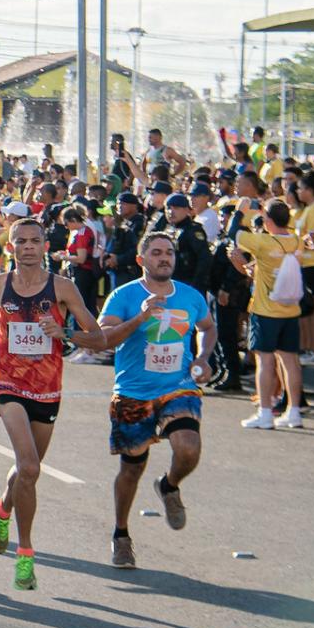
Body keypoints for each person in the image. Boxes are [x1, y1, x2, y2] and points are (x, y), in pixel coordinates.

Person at [0, 218, 147, 591]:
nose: (29, 247)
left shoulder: (63, 288)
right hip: (8, 383)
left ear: (45, 245)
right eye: (21, 241)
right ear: (12, 247)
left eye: (35, 241)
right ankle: (26, 556)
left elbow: (99, 339)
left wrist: (64, 332)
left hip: (48, 388)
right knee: (30, 466)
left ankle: (2, 510)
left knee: (27, 471)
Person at [99, 232, 214, 570]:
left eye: (169, 253)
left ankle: (169, 485)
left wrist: (204, 357)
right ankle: (121, 535)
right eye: (156, 253)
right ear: (141, 260)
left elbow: (207, 327)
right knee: (131, 470)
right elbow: (105, 338)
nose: (165, 258)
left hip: (178, 386)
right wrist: (141, 318)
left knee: (188, 447)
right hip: (134, 392)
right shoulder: (124, 295)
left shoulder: (190, 297)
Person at [232, 199, 305, 429]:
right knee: (290, 360)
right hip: (291, 310)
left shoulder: (263, 241)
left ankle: (265, 412)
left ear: (268, 220)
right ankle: (294, 411)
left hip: (266, 310)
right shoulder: (296, 240)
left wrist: (239, 212)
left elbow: (235, 235)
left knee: (265, 360)